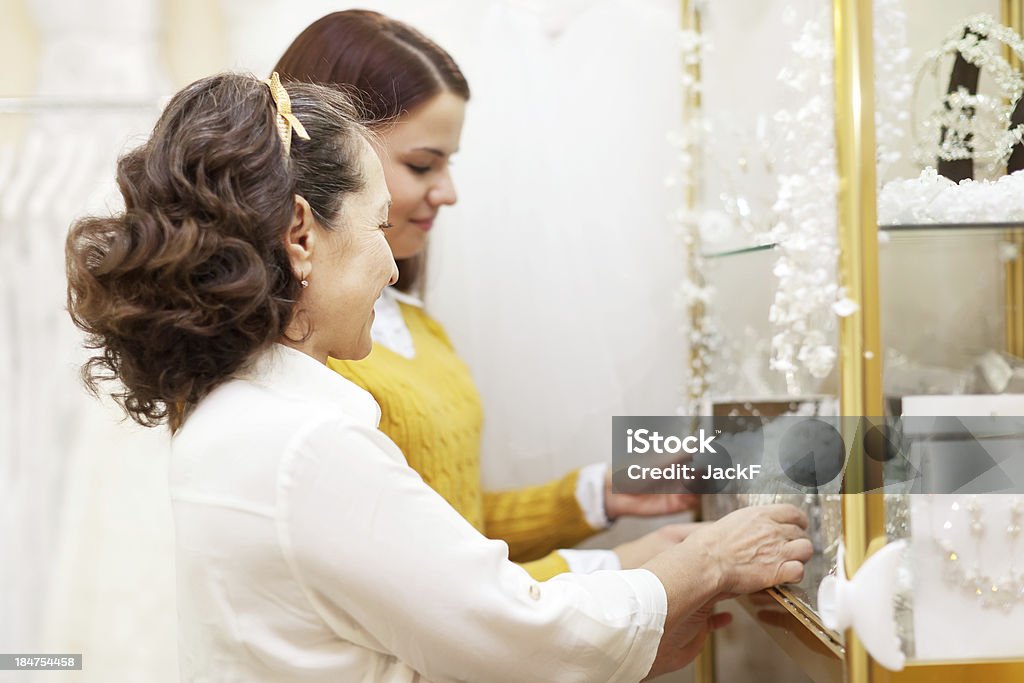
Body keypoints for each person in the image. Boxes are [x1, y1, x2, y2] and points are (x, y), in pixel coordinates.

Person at [65, 72, 812, 681]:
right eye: (376, 226)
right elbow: (515, 630)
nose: (392, 265)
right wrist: (709, 559)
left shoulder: (234, 413)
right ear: (301, 234)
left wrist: (619, 577)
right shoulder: (306, 444)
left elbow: (418, 628)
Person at [274, 9, 695, 581]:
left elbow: (452, 526)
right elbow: (429, 591)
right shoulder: (303, 360)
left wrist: (600, 495)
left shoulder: (405, 321)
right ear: (330, 162)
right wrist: (626, 569)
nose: (447, 193)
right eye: (422, 165)